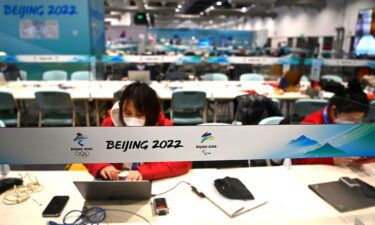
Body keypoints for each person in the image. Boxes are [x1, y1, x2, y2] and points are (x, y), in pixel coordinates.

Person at [85, 82, 191, 180]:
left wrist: (143, 171)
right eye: (127, 113)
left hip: (150, 182)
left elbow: (183, 161)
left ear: (152, 114)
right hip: (116, 181)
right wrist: (102, 166)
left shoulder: (164, 126)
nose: (133, 119)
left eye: (140, 115)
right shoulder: (111, 122)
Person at [293, 79, 370, 165]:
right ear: (334, 110)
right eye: (351, 119)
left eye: (358, 119)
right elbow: (298, 157)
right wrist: (331, 159)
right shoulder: (312, 124)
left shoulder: (352, 123)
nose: (355, 123)